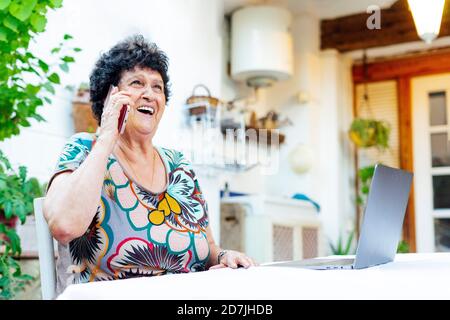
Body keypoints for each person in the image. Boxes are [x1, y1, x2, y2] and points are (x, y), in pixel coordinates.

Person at [43, 34, 256, 294]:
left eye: (158, 87)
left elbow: (207, 247)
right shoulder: (85, 149)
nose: (150, 94)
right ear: (109, 96)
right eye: (137, 83)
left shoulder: (179, 166)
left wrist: (224, 255)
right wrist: (108, 134)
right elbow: (64, 225)